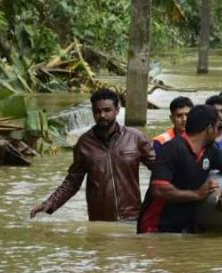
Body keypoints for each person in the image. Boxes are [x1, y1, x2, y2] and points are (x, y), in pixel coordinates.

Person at [30, 89, 155, 221]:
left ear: (117, 110)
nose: (102, 115)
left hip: (132, 218)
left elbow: (160, 169)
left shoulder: (135, 138)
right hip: (100, 221)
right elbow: (72, 182)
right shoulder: (84, 144)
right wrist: (49, 203)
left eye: (107, 110)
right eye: (97, 111)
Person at [137, 105, 222, 233]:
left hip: (185, 227)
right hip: (156, 227)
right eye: (217, 127)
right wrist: (196, 195)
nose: (219, 133)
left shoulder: (211, 151)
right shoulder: (171, 149)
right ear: (209, 128)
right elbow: (159, 189)